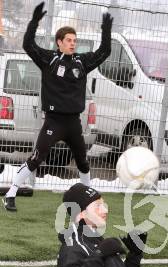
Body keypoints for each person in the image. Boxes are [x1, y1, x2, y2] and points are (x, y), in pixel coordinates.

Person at [2, 2, 112, 212]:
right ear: (59, 42)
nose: (73, 44)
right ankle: (10, 194)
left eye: (74, 40)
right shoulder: (49, 59)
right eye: (69, 40)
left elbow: (104, 51)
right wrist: (34, 22)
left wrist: (105, 30)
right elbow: (28, 45)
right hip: (54, 121)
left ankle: (88, 201)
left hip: (73, 123)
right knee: (36, 158)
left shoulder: (82, 62)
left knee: (82, 162)